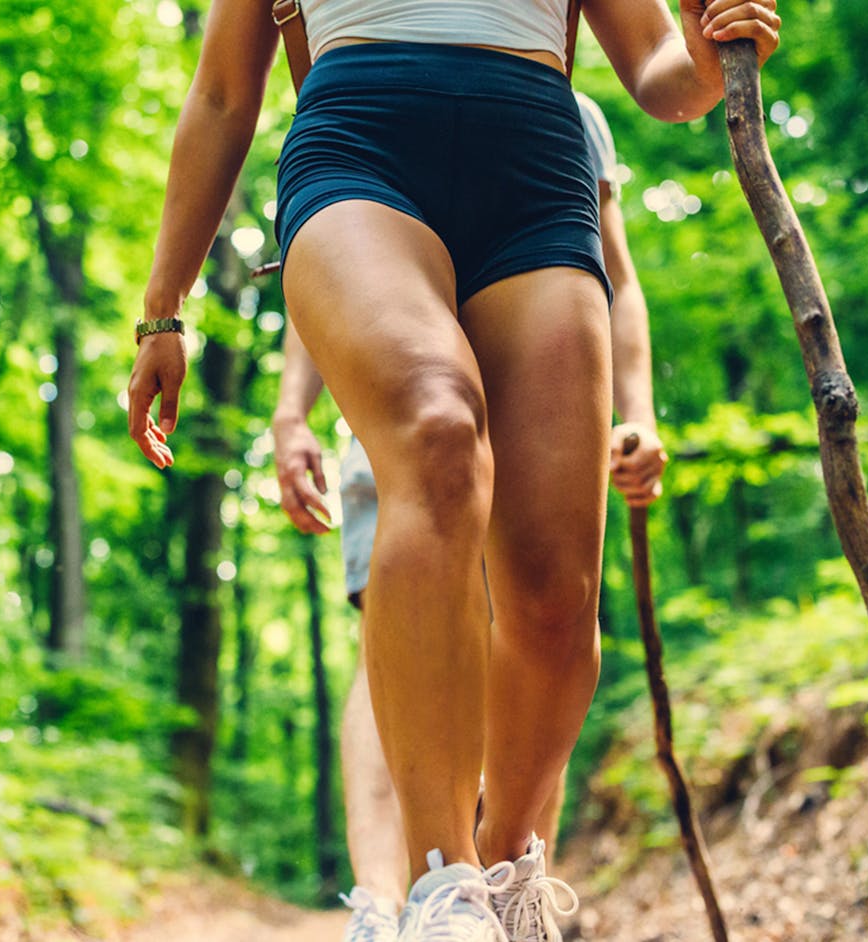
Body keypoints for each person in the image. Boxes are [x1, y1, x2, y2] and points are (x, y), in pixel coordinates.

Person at [125, 0, 778, 937]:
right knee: (437, 431)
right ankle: (442, 884)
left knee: (554, 595)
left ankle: (508, 866)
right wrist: (163, 307)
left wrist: (716, 57)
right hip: (358, 149)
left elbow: (660, 76)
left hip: (538, 173)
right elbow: (227, 93)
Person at [270, 92, 672, 942]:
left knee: (538, 629)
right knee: (398, 637)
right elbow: (324, 264)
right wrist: (292, 413)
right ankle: (384, 906)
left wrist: (637, 412)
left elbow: (618, 281)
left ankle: (515, 888)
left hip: (544, 404)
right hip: (402, 412)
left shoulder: (573, 111)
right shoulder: (365, 56)